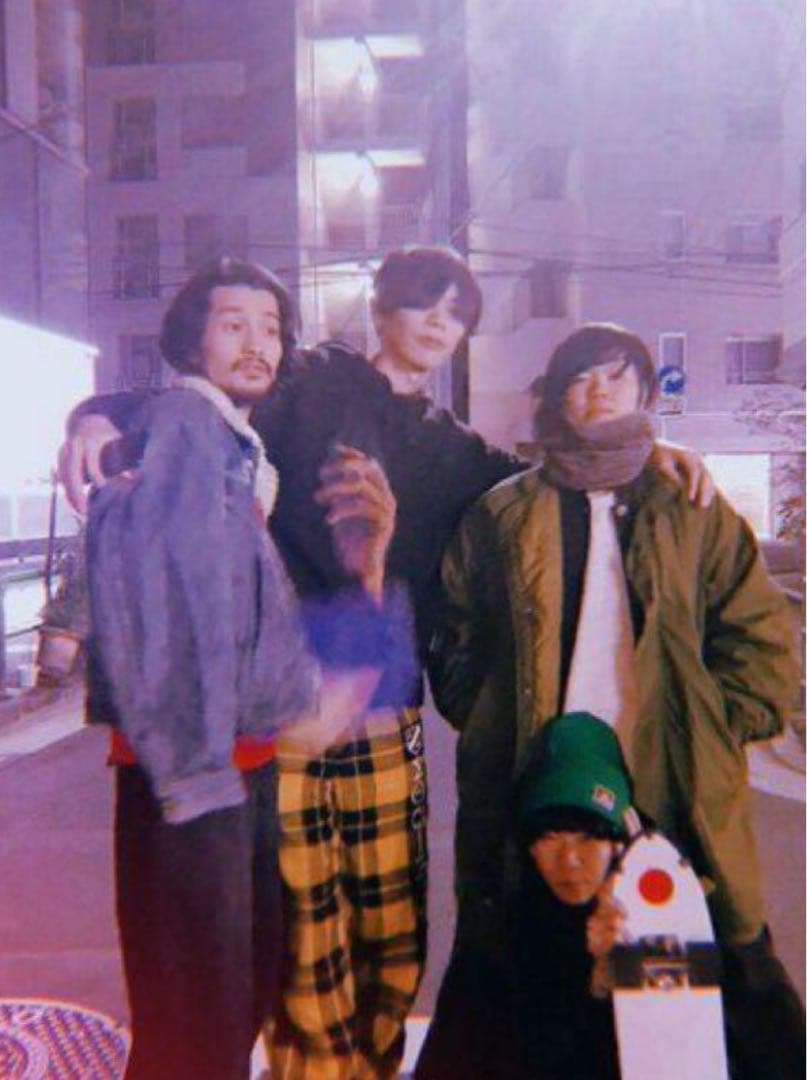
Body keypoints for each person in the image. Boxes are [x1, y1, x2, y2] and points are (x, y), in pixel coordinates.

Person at [60, 250, 713, 1079]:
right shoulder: (307, 381)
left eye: (456, 312)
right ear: (378, 309)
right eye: (420, 303)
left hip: (385, 698)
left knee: (390, 925)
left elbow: (556, 477)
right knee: (298, 935)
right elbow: (202, 400)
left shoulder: (458, 450)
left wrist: (648, 451)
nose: (439, 322)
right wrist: (96, 413)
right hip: (285, 703)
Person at [425, 322, 804, 1079]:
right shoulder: (504, 512)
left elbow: (760, 638)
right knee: (527, 959)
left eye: (616, 376)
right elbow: (454, 629)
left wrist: (708, 725)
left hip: (667, 775)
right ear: (556, 398)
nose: (597, 391)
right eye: (580, 377)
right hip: (537, 775)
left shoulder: (691, 506)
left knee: (694, 961)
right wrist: (490, 713)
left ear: (644, 392)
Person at [86, 257, 397, 1080]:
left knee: (222, 991)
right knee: (202, 1007)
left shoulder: (230, 439)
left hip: (230, 760)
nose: (258, 343)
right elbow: (172, 611)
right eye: (233, 325)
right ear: (192, 341)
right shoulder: (188, 423)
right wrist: (195, 773)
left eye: (270, 329)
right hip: (196, 767)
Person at [416, 711, 638, 1080]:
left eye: (589, 837)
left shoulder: (664, 924)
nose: (570, 859)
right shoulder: (492, 949)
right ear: (527, 846)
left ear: (619, 842)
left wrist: (614, 979)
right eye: (550, 837)